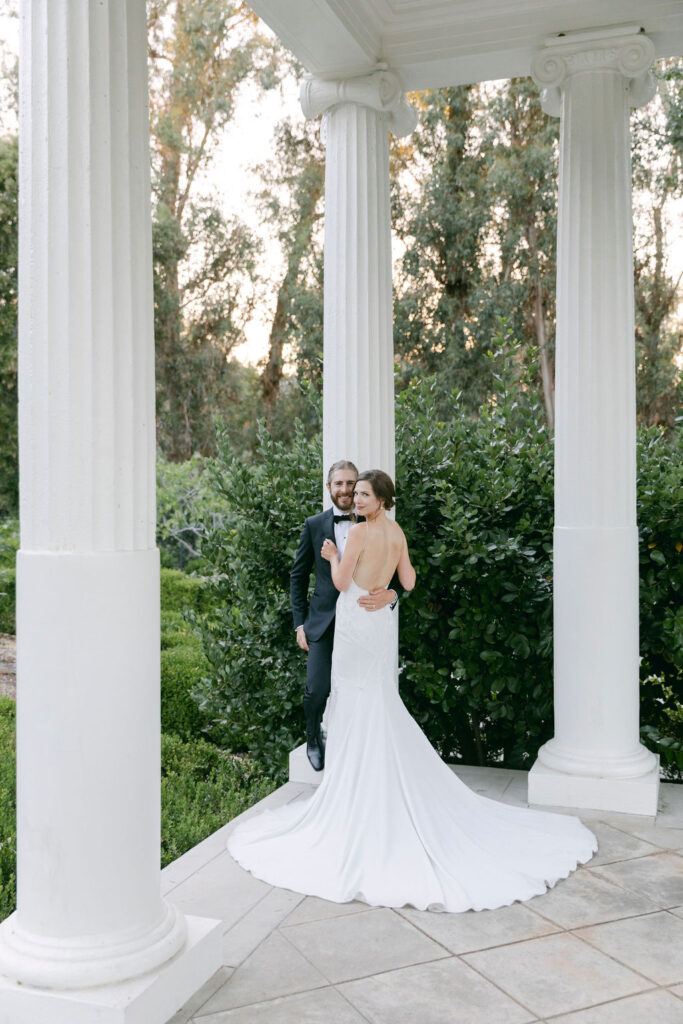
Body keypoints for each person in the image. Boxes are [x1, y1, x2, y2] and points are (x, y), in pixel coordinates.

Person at [228, 470, 597, 913]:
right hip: (378, 622)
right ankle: (375, 780)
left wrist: (332, 556)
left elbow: (343, 583)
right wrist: (386, 593)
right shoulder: (397, 532)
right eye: (355, 494)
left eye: (364, 494)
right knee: (376, 698)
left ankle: (359, 792)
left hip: (355, 622)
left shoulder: (362, 533)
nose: (357, 500)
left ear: (380, 499)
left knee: (357, 698)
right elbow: (410, 582)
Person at [290, 459, 403, 771]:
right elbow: (298, 576)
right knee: (317, 689)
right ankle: (314, 736)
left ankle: (362, 749)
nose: (345, 490)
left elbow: (400, 577)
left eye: (350, 484)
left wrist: (393, 596)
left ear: (360, 487)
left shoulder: (378, 525)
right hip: (324, 621)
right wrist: (299, 622)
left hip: (363, 621)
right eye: (338, 483)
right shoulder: (314, 525)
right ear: (329, 488)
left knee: (365, 687)